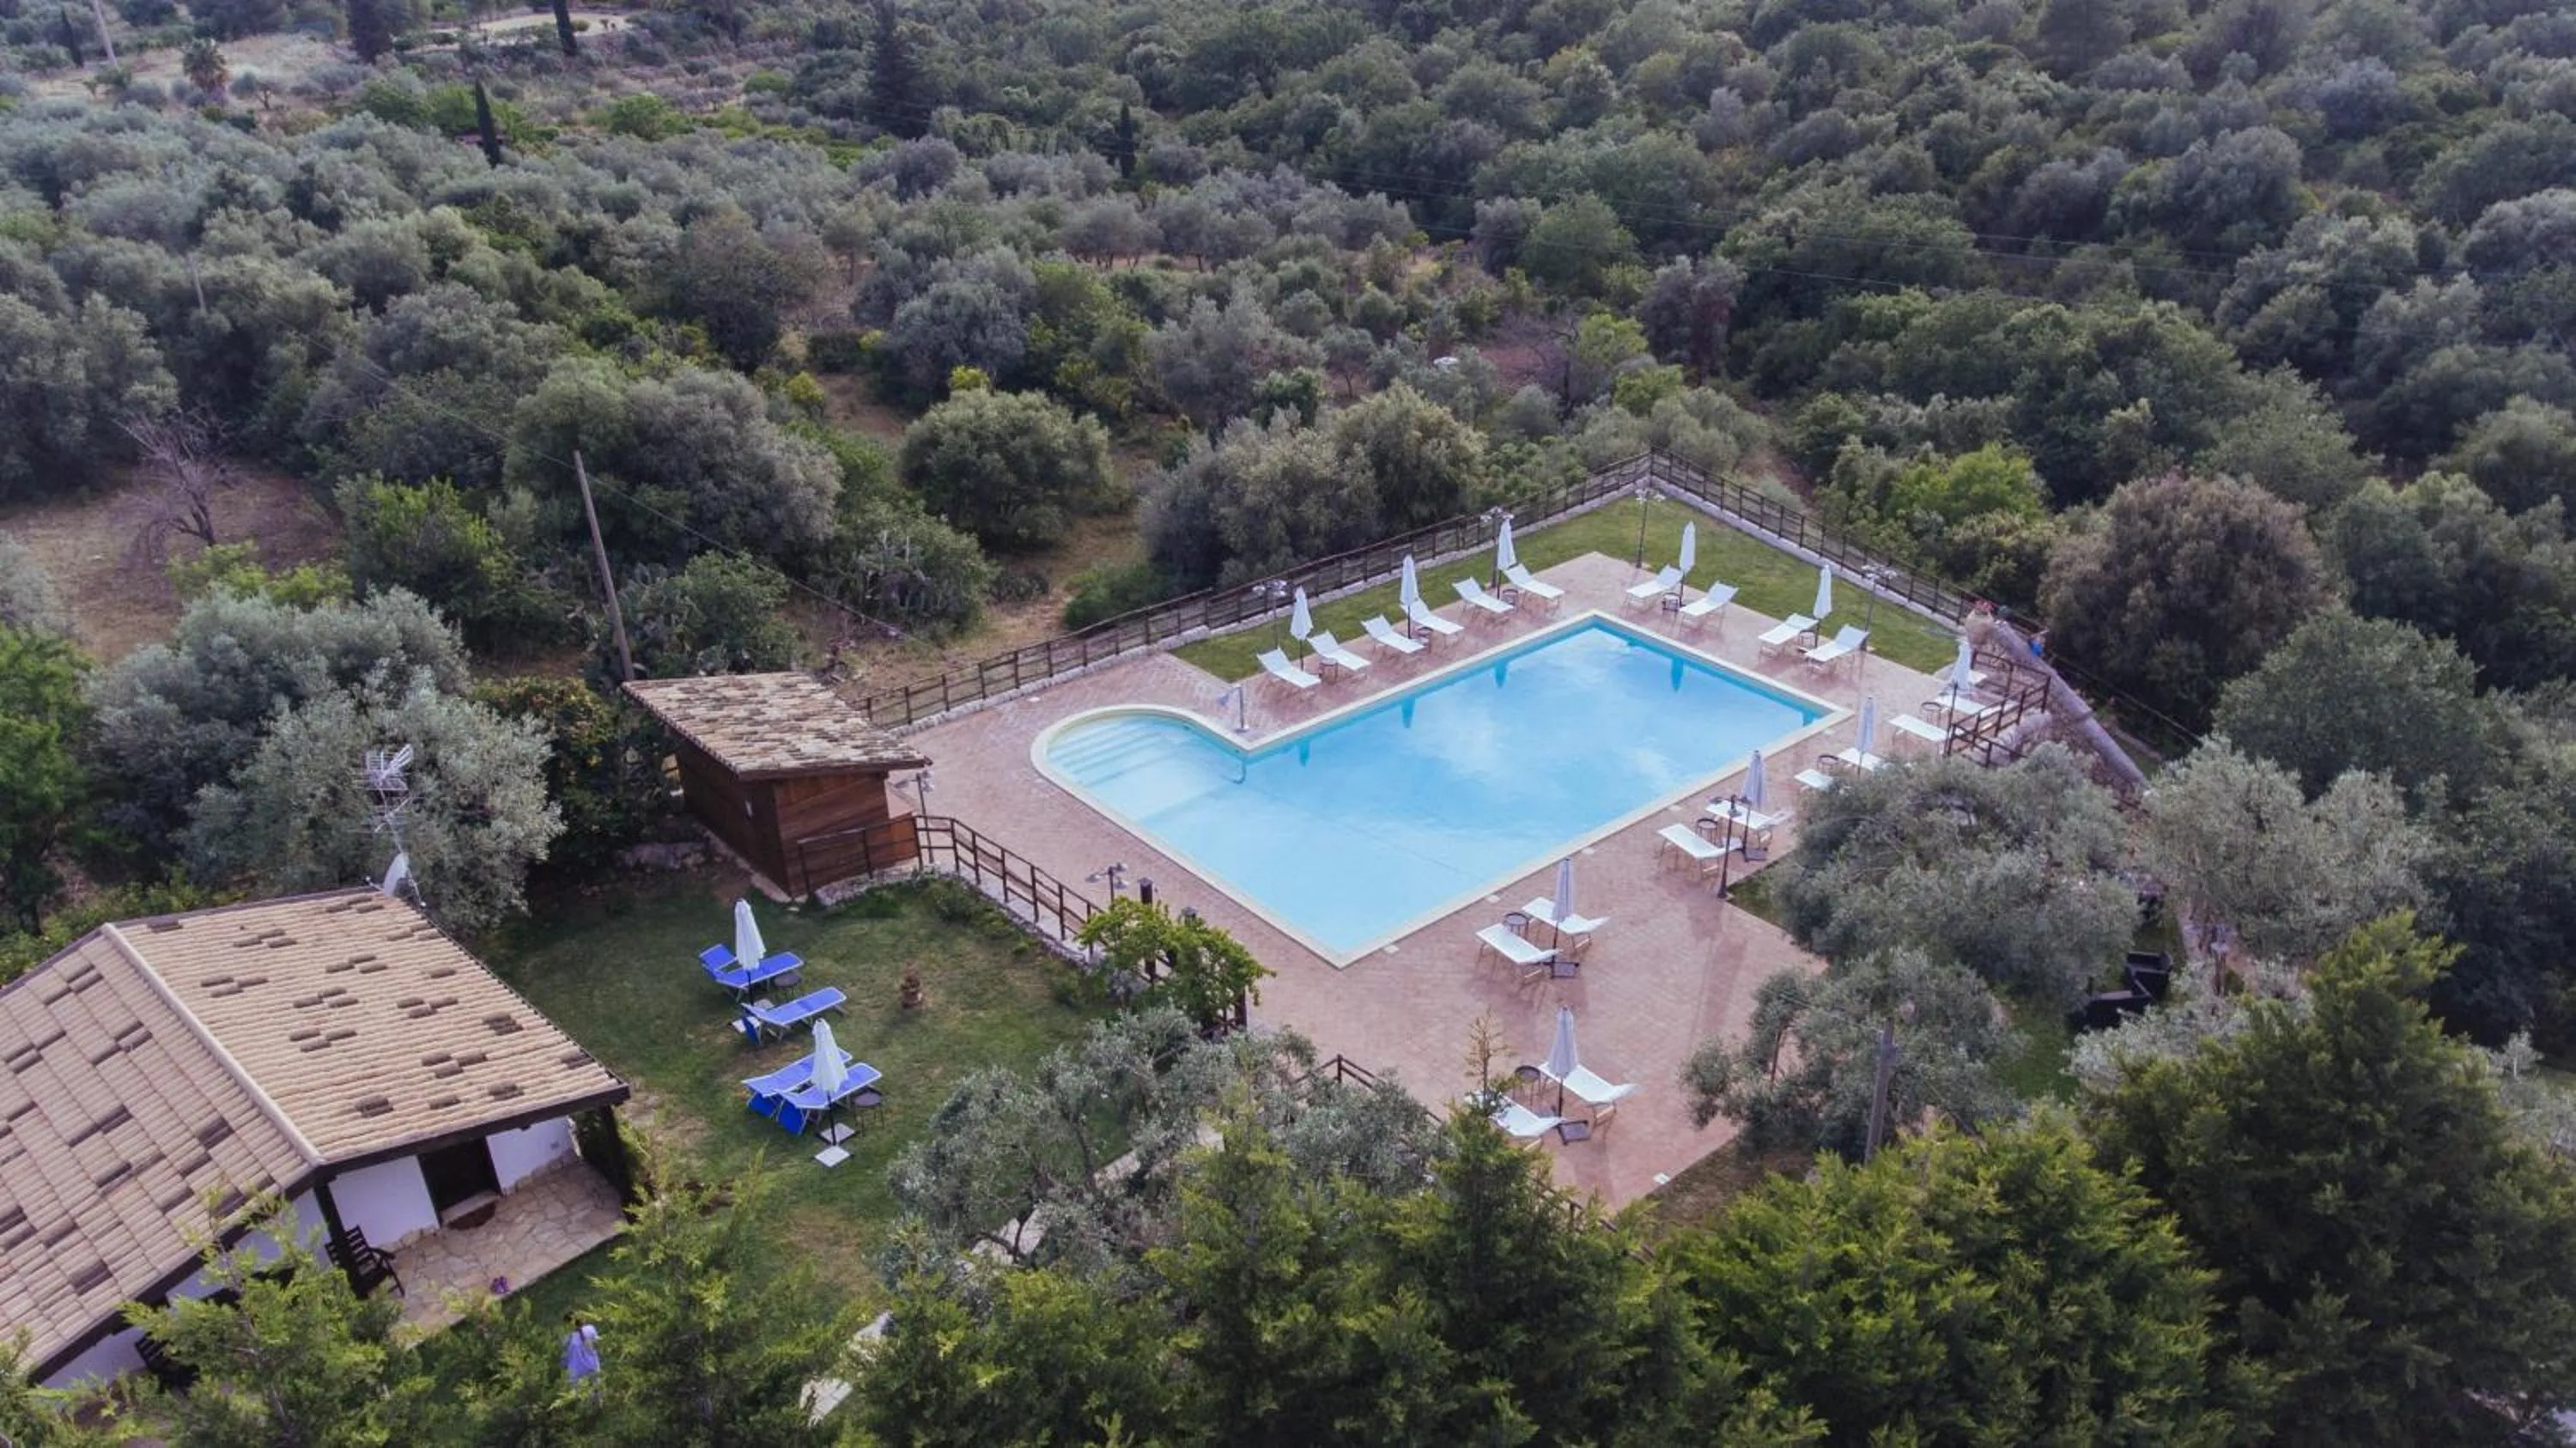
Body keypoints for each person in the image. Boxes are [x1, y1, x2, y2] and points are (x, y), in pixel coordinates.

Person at [562, 1317, 602, 1395]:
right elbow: (597, 1342)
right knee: (597, 1389)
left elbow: (565, 1356)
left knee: (575, 1393)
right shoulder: (591, 1329)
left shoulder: (569, 1338)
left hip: (576, 1370)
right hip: (593, 1365)